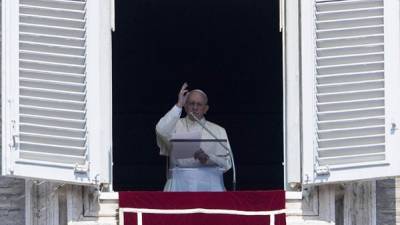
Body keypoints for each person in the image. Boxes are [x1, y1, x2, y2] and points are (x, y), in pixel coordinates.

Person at [156, 82, 232, 191]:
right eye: (191, 103)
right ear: (186, 106)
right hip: (179, 186)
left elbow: (227, 163)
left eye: (199, 104)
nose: (195, 107)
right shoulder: (174, 125)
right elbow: (161, 130)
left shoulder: (218, 130)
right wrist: (178, 105)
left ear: (206, 109)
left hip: (210, 187)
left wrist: (209, 158)